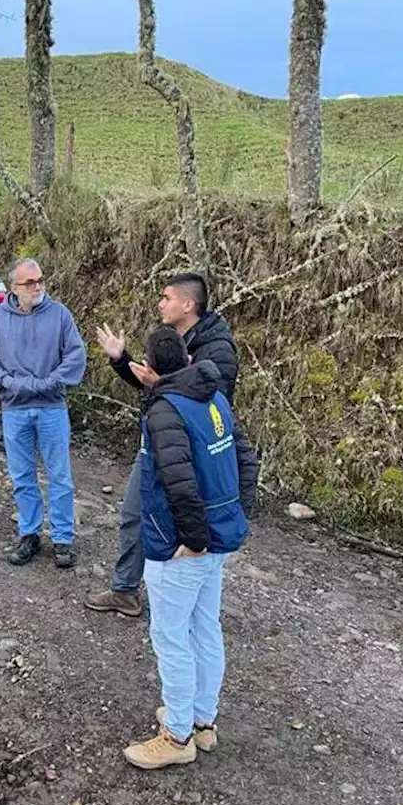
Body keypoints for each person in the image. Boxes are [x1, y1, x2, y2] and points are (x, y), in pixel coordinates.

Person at [121, 326, 258, 771]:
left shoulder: (165, 411)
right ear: (185, 356)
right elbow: (246, 459)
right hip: (219, 534)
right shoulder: (214, 396)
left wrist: (193, 540)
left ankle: (177, 735)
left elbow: (178, 484)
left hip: (182, 546)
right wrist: (236, 517)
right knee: (205, 626)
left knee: (171, 636)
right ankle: (202, 721)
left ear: (151, 367)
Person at [85, 272, 240, 617]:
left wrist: (162, 383)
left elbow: (211, 401)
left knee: (189, 519)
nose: (160, 303)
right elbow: (152, 385)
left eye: (166, 297)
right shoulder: (172, 339)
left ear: (188, 304)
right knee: (134, 514)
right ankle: (126, 590)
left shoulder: (218, 349)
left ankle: (190, 600)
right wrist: (121, 359)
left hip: (195, 454)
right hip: (159, 443)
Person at [0, 258, 87, 568]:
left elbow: (75, 356)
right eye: (30, 282)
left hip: (52, 407)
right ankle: (30, 534)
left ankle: (63, 538)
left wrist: (47, 383)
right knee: (22, 475)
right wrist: (11, 383)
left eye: (40, 280)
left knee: (59, 475)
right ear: (14, 287)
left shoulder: (60, 315)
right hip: (14, 410)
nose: (38, 286)